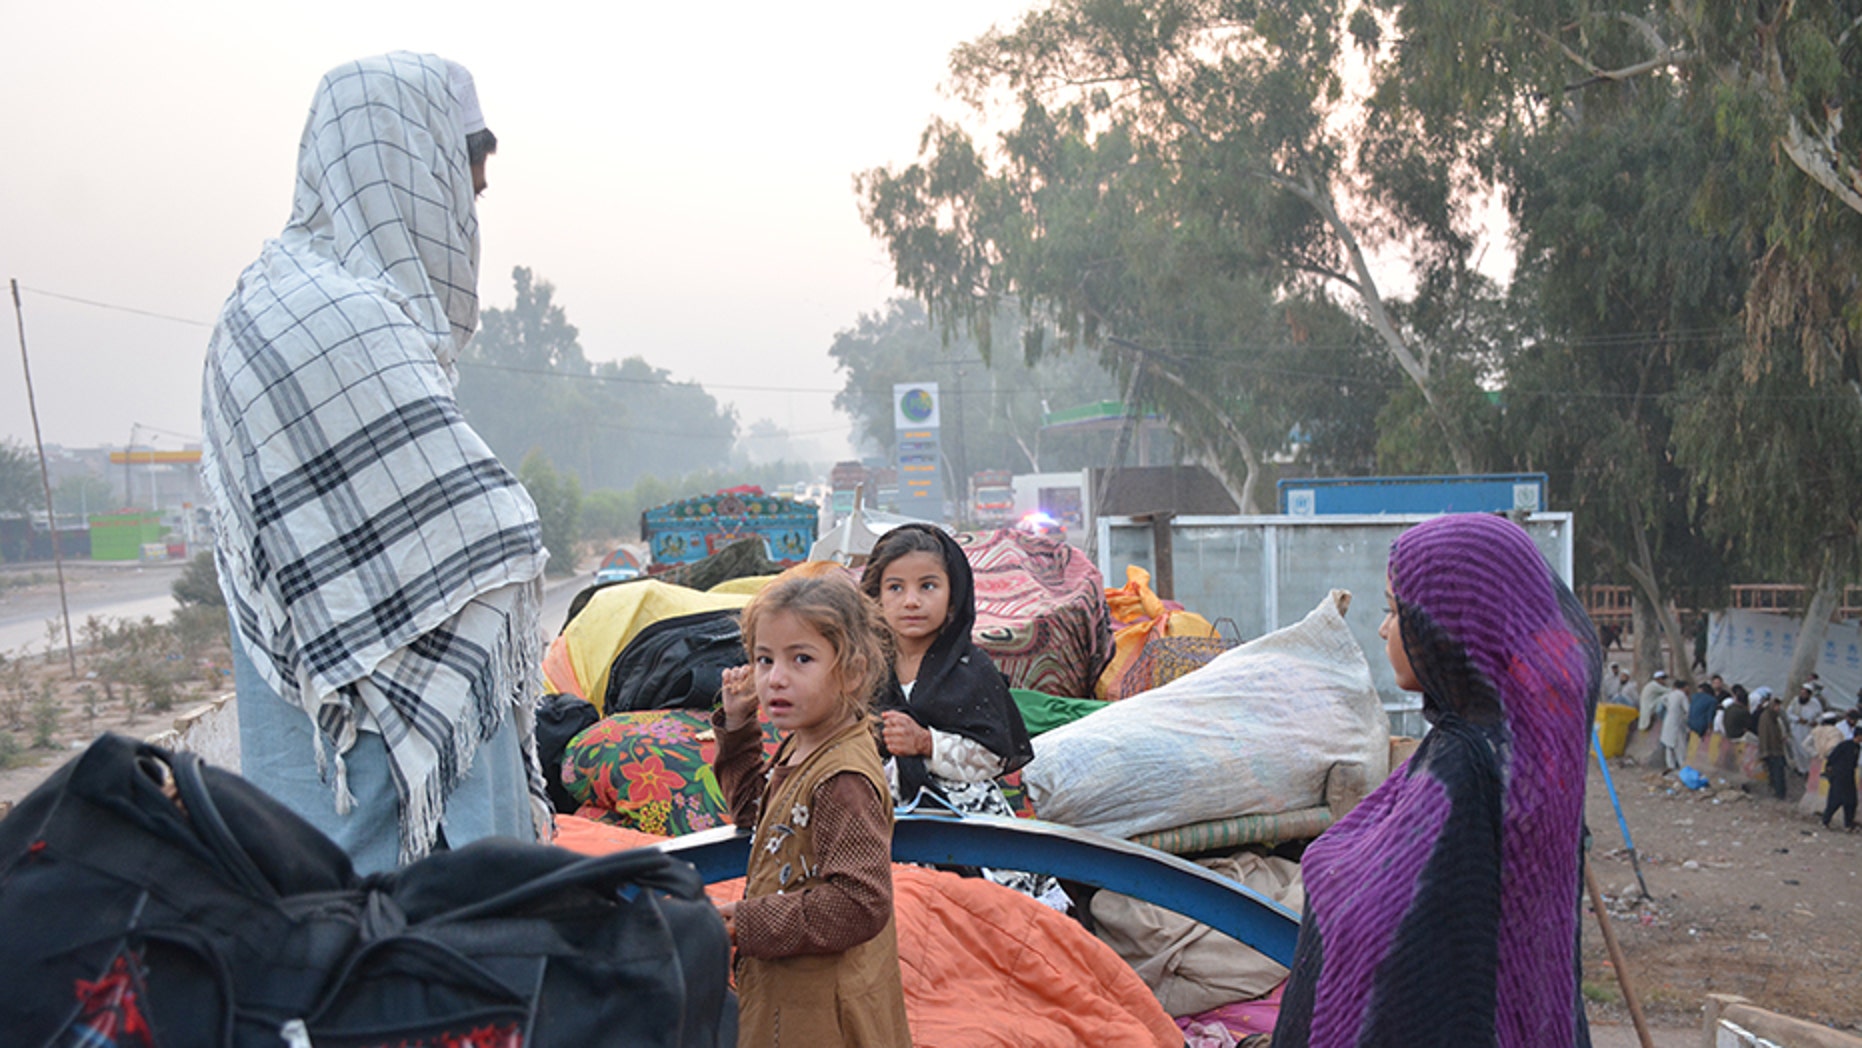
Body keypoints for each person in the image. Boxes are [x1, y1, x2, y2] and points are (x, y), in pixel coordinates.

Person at [200, 53, 550, 873]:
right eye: (463, 185)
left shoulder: (275, 294)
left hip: (311, 723)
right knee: (417, 936)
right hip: (371, 759)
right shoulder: (334, 317)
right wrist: (512, 535)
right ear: (412, 168)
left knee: (325, 912)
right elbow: (479, 534)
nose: (467, 218)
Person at [1273, 513, 1600, 1046]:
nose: (1383, 628)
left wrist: (1333, 865)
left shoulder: (1464, 767)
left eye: (1394, 610)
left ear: (1451, 626)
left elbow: (1383, 930)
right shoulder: (1517, 747)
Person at [711, 571, 911, 1046]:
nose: (774, 678)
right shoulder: (807, 744)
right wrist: (738, 729)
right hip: (794, 993)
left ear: (853, 672)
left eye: (801, 659)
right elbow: (755, 815)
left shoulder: (842, 779)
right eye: (764, 659)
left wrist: (749, 921)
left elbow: (861, 903)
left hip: (822, 1014)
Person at [857, 524, 1058, 904]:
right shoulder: (862, 670)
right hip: (880, 814)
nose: (911, 601)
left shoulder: (971, 669)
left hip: (963, 813)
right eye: (895, 588)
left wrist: (926, 742)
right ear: (875, 597)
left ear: (953, 597)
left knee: (989, 909)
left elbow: (993, 755)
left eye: (927, 586)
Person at [1820, 722, 1859, 831]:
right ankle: (1825, 821)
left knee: (1851, 801)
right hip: (1839, 776)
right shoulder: (1845, 745)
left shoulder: (1856, 747)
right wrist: (1829, 769)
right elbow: (1832, 757)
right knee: (1835, 800)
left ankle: (1848, 824)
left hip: (1849, 777)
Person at [1756, 692, 1790, 800]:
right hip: (1772, 751)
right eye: (1776, 706)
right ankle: (1779, 794)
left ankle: (1778, 793)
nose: (1777, 708)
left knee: (1778, 772)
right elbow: (1766, 735)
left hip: (1776, 749)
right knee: (1777, 773)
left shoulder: (1774, 717)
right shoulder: (1766, 718)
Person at [1660, 679, 1690, 772]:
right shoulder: (1681, 695)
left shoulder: (1670, 694)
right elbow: (1688, 710)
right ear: (1684, 687)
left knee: (1669, 745)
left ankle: (1671, 765)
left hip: (1668, 722)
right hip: (1677, 723)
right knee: (1680, 746)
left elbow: (1662, 699)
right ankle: (1683, 766)